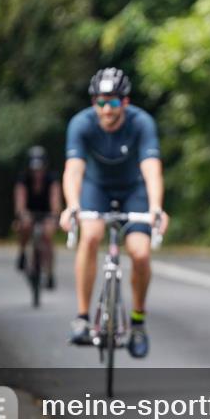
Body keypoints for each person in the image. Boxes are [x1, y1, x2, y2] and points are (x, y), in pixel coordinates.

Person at [58, 68, 169, 358]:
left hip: (134, 190)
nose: (107, 110)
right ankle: (82, 317)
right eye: (101, 102)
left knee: (141, 253)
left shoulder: (142, 122)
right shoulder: (80, 124)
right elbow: (74, 170)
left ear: (126, 102)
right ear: (93, 102)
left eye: (114, 103)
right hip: (97, 188)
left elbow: (151, 168)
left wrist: (156, 206)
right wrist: (72, 204)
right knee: (91, 235)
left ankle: (138, 322)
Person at [14, 146, 62, 288]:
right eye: (34, 169)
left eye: (40, 169)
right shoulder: (23, 179)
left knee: (47, 236)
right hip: (29, 212)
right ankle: (22, 253)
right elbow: (20, 200)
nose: (37, 173)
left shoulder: (52, 178)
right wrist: (22, 213)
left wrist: (54, 215)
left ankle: (50, 272)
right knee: (25, 226)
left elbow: (55, 200)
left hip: (47, 213)